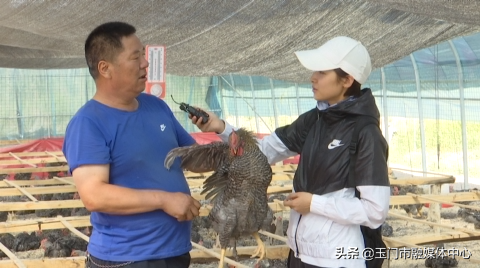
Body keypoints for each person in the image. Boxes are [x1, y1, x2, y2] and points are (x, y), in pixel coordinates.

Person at [191, 36, 390, 268]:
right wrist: (222, 128)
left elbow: (375, 211)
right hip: (299, 255)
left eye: (322, 72)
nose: (313, 77)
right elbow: (262, 152)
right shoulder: (314, 120)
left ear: (347, 79)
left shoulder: (365, 133)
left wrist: (314, 204)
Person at [62, 21, 201, 268]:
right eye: (135, 57)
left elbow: (194, 158)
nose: (145, 63)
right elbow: (94, 195)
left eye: (144, 55)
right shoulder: (88, 123)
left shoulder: (156, 106)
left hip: (175, 252)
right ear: (105, 68)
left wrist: (225, 135)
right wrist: (164, 200)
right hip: (126, 259)